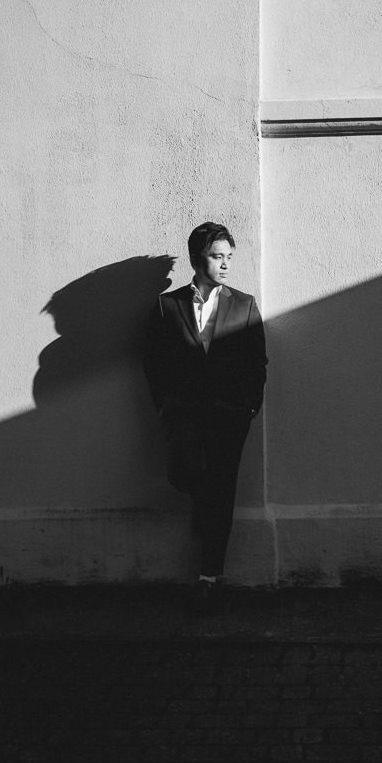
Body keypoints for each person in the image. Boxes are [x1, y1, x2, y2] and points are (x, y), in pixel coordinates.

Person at [143, 222, 267, 606]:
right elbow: (152, 361)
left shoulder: (244, 305)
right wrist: (165, 404)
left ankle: (209, 575)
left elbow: (256, 361)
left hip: (230, 416)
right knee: (182, 474)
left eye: (229, 257)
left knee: (223, 487)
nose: (226, 265)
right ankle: (204, 499)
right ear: (199, 259)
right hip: (185, 415)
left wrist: (248, 406)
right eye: (218, 257)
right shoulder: (168, 306)